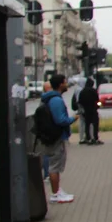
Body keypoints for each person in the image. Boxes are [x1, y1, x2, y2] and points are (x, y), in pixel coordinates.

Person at [35, 74, 76, 204]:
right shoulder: (56, 100)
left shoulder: (50, 98)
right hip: (56, 137)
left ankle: (57, 190)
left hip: (51, 136)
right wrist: (73, 119)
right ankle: (55, 194)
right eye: (65, 82)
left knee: (54, 164)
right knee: (55, 166)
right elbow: (60, 120)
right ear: (60, 85)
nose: (67, 84)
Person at [78, 78, 102, 145]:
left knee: (87, 125)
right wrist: (97, 107)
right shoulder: (93, 90)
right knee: (95, 124)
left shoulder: (82, 91)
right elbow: (97, 100)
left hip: (86, 111)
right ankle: (95, 138)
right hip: (93, 110)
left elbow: (80, 102)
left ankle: (88, 138)